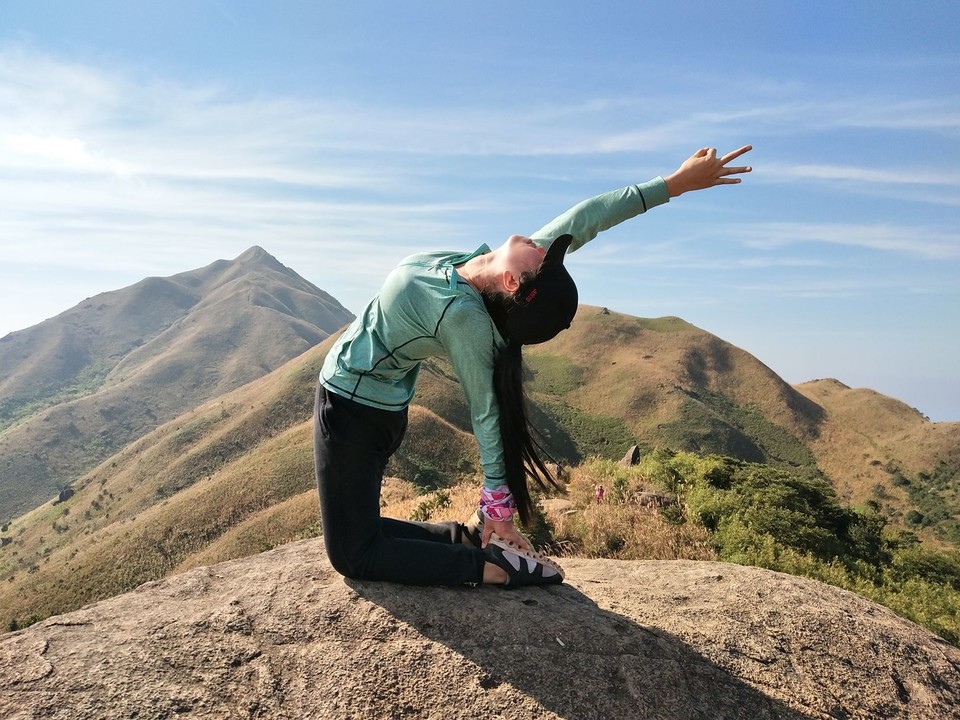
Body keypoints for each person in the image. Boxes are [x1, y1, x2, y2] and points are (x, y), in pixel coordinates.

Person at [314, 144, 753, 588]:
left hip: (354, 409)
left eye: (540, 262)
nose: (542, 248)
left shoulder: (461, 313)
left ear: (512, 282)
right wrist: (675, 183)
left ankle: (488, 571)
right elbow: (584, 220)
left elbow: (487, 412)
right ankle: (467, 540)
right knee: (362, 530)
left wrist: (498, 504)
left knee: (354, 554)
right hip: (371, 405)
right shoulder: (482, 272)